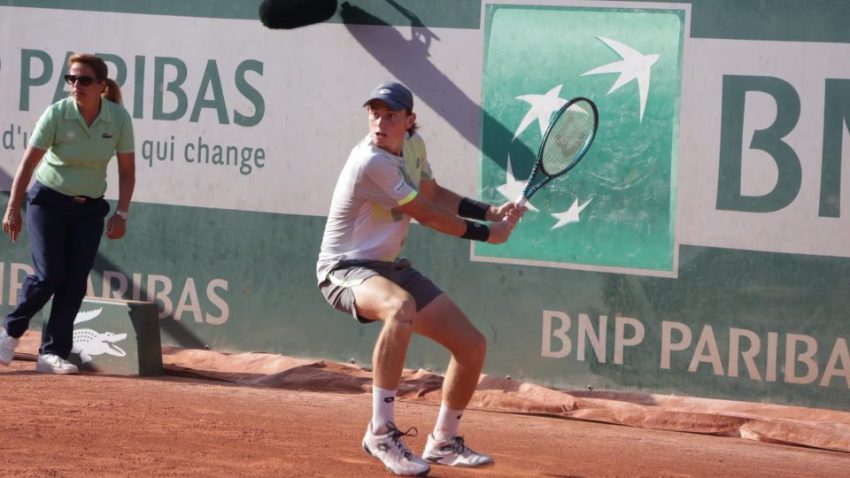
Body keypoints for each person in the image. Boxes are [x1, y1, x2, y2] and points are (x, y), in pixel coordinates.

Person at [316, 81, 526, 476]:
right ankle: (381, 432)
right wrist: (486, 234)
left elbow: (432, 192)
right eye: (374, 113)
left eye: (391, 115)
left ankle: (444, 441)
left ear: (409, 121)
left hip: (390, 266)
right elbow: (427, 215)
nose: (380, 122)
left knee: (471, 345)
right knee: (400, 307)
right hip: (343, 268)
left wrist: (491, 211)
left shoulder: (412, 148)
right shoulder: (371, 161)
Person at [0, 53, 136, 374]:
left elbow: (127, 172)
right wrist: (12, 208)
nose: (76, 85)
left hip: (89, 210)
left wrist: (122, 213)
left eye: (85, 80)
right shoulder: (57, 114)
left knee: (75, 282)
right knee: (50, 274)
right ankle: (10, 332)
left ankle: (52, 354)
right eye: (71, 79)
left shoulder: (118, 119)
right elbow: (28, 164)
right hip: (47, 202)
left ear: (102, 86)